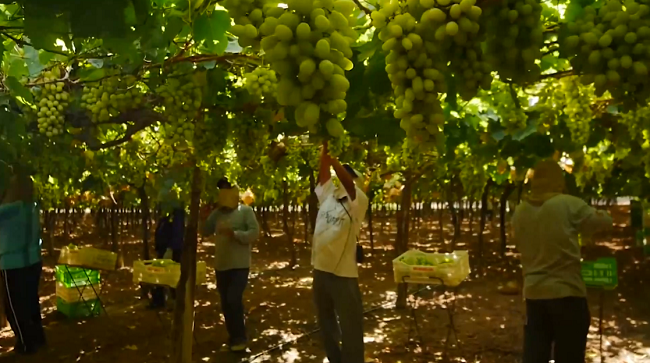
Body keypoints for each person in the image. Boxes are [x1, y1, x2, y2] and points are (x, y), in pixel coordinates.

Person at [512, 160, 613, 363]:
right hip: (566, 293)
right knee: (569, 355)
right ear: (558, 181)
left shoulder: (520, 211)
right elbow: (604, 222)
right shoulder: (567, 204)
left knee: (535, 354)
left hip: (534, 294)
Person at [312, 141, 368, 363]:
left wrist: (334, 159)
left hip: (343, 274)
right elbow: (324, 177)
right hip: (320, 269)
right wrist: (325, 152)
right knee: (325, 322)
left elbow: (350, 185)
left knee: (350, 324)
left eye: (348, 174)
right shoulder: (329, 196)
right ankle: (335, 359)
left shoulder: (358, 201)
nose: (342, 177)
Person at [202, 178, 259, 353]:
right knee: (226, 303)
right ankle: (233, 336)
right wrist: (203, 216)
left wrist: (234, 234)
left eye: (227, 188)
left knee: (233, 298)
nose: (224, 191)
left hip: (240, 265)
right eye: (221, 189)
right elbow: (204, 232)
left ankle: (240, 337)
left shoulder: (245, 211)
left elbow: (254, 233)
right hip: (221, 265)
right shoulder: (217, 214)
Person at [0, 171, 45, 355]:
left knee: (13, 307)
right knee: (31, 301)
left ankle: (27, 344)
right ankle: (38, 338)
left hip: (13, 264)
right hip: (33, 261)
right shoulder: (33, 206)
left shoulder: (9, 209)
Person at [150, 206, 185, 309]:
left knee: (173, 277)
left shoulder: (178, 213)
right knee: (161, 275)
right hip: (163, 249)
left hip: (173, 251)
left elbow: (178, 233)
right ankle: (159, 301)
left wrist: (171, 249)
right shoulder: (167, 212)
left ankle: (175, 302)